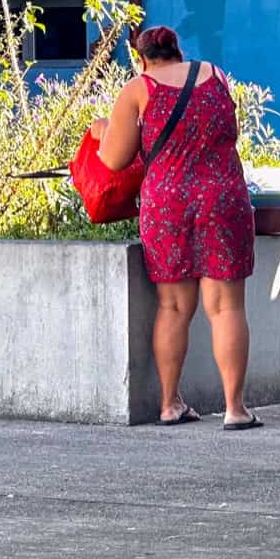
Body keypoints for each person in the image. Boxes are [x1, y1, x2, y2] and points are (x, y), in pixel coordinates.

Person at [91, 26, 261, 430]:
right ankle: (235, 409)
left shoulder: (138, 88)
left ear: (142, 58)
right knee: (227, 308)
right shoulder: (216, 76)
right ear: (179, 52)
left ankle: (169, 404)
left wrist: (102, 131)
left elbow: (114, 160)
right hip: (222, 198)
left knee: (173, 307)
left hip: (168, 204)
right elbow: (227, 130)